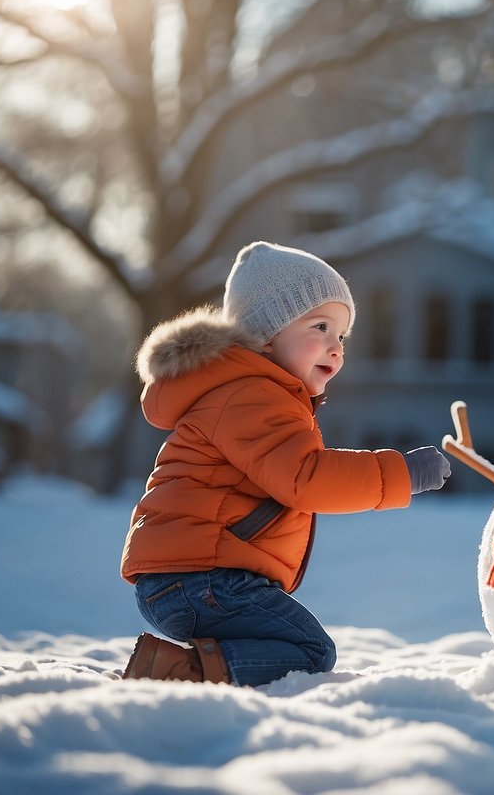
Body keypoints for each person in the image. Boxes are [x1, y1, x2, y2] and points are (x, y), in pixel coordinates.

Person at [120, 240, 451, 687]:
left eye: (342, 336)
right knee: (310, 651)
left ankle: (185, 668)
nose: (336, 348)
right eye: (320, 327)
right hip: (200, 578)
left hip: (191, 575)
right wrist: (400, 474)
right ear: (266, 334)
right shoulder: (250, 394)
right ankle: (178, 674)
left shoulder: (252, 391)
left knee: (302, 646)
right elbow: (305, 477)